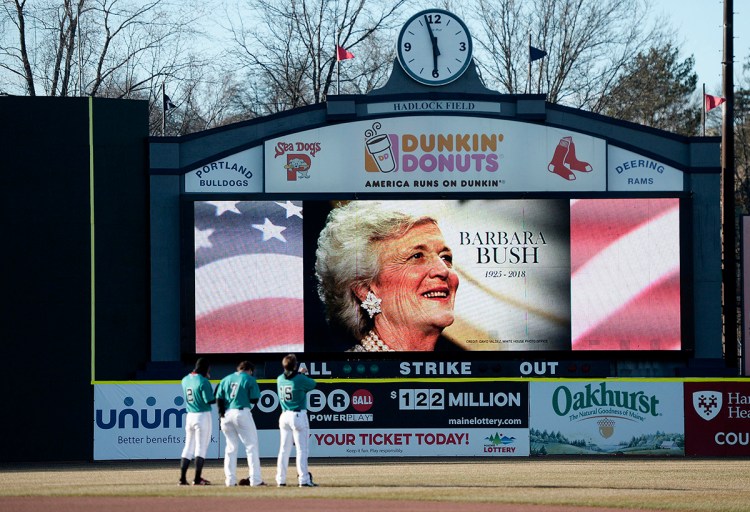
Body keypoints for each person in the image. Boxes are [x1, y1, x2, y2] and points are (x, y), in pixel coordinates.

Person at [315, 201, 460, 351]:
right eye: (417, 256)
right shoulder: (350, 371)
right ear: (365, 290)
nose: (443, 270)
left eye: (445, 257)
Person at [214, 360, 265, 487]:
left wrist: (221, 414)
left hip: (226, 414)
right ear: (250, 370)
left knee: (230, 448)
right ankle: (255, 480)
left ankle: (230, 481)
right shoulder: (249, 378)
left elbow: (218, 397)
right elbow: (254, 398)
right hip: (241, 412)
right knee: (251, 446)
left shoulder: (226, 379)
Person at [275, 354, 317, 487]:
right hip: (297, 415)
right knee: (301, 450)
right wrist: (302, 374)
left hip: (284, 416)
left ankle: (280, 480)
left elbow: (290, 378)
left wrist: (298, 374)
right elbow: (313, 384)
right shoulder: (300, 379)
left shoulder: (279, 379)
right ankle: (303, 480)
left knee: (283, 450)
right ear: (295, 365)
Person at [179, 358, 215, 486]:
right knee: (201, 447)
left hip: (190, 415)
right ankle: (197, 478)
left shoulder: (185, 379)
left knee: (188, 447)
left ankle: (182, 479)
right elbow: (209, 400)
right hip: (202, 415)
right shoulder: (203, 381)